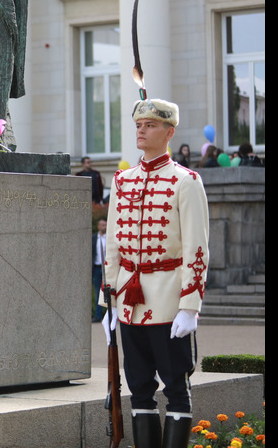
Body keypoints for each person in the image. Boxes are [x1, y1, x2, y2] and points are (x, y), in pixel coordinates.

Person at [101, 98, 209, 448]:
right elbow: (114, 245)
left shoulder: (186, 181)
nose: (141, 130)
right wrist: (110, 303)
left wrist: (190, 306)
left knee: (176, 388)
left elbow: (197, 247)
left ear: (169, 132)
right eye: (138, 125)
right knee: (139, 389)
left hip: (168, 302)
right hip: (130, 304)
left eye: (150, 125)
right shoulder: (122, 181)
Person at [91, 218, 107, 322]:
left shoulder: (109, 238)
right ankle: (98, 316)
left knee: (110, 293)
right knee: (98, 293)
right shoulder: (93, 238)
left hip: (106, 269)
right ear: (98, 226)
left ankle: (111, 315)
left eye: (105, 225)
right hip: (97, 268)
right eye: (102, 225)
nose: (104, 227)